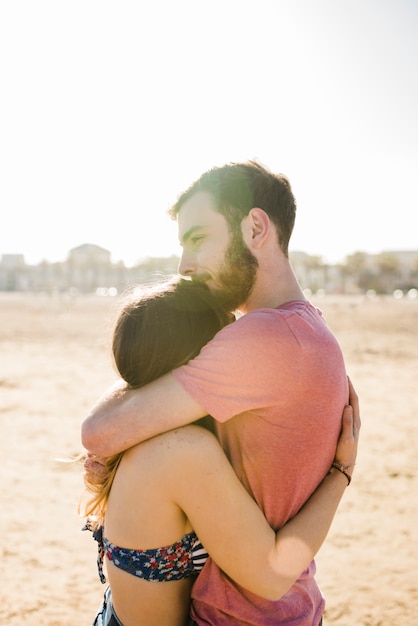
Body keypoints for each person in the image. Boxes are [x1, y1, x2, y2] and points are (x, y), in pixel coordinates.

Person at [82, 160, 355, 625]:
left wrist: (342, 475)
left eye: (199, 239)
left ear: (255, 227)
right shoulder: (306, 329)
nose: (185, 265)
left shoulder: (268, 338)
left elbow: (99, 431)